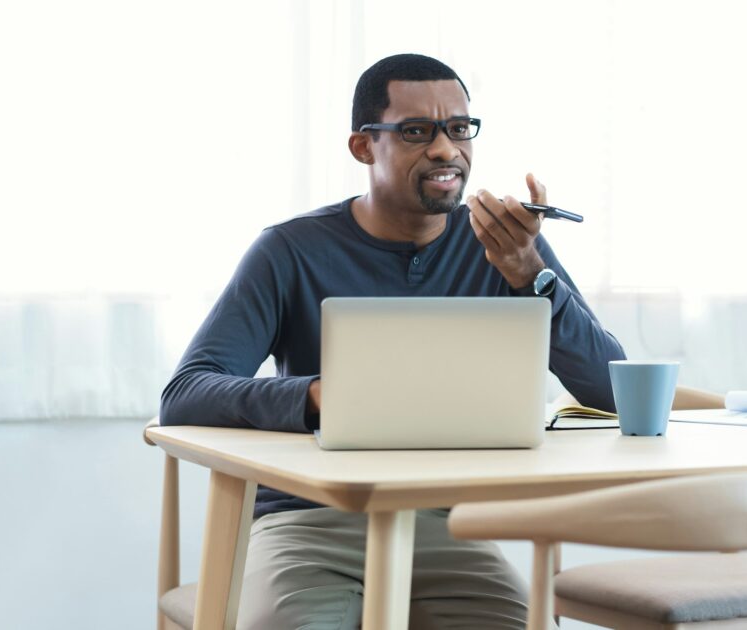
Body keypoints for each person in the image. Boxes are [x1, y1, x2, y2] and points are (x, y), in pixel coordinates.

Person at [161, 53, 626, 629]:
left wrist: (531, 276)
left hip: (447, 524)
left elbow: (612, 390)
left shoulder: (509, 248)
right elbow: (185, 393)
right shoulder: (289, 250)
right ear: (363, 147)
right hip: (308, 524)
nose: (444, 149)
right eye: (416, 132)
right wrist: (316, 396)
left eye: (459, 129)